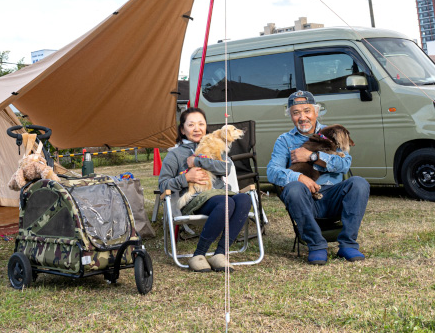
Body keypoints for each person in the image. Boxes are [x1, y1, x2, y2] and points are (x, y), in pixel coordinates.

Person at [268, 90, 370, 265]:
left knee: (359, 183)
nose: (302, 117)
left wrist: (311, 157)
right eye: (296, 113)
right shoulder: (284, 140)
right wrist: (299, 177)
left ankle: (348, 244)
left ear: (316, 112)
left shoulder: (333, 132)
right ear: (291, 116)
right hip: (305, 199)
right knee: (293, 188)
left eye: (307, 111)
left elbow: (345, 164)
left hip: (333, 196)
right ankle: (316, 246)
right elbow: (272, 171)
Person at [158, 107, 251, 273]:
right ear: (182, 129)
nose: (197, 128)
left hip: (221, 195)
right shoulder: (175, 155)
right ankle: (198, 254)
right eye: (191, 124)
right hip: (194, 200)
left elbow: (226, 168)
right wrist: (185, 178)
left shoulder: (216, 144)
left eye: (201, 124)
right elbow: (163, 185)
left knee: (244, 199)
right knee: (226, 202)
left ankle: (220, 254)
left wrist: (198, 162)